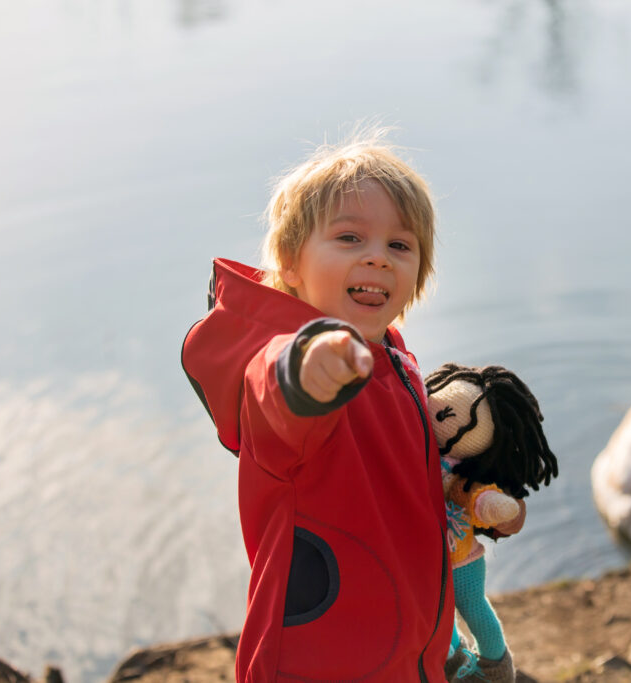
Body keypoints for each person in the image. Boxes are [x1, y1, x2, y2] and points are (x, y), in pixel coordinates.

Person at [181, 133, 454, 682]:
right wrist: (306, 363)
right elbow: (272, 394)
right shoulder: (298, 370)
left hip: (407, 656)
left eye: (399, 246)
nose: (377, 256)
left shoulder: (393, 358)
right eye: (350, 238)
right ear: (290, 261)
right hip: (316, 665)